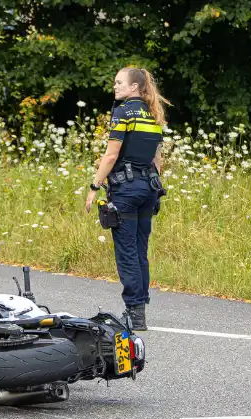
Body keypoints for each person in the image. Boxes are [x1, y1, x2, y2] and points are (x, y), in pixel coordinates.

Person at [84, 67, 169, 331]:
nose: (115, 86)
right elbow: (157, 159)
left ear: (134, 87)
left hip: (126, 190)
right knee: (140, 249)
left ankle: (134, 312)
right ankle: (139, 309)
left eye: (119, 82)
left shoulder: (122, 112)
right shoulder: (153, 113)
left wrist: (94, 186)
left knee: (127, 250)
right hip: (149, 188)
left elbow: (111, 154)